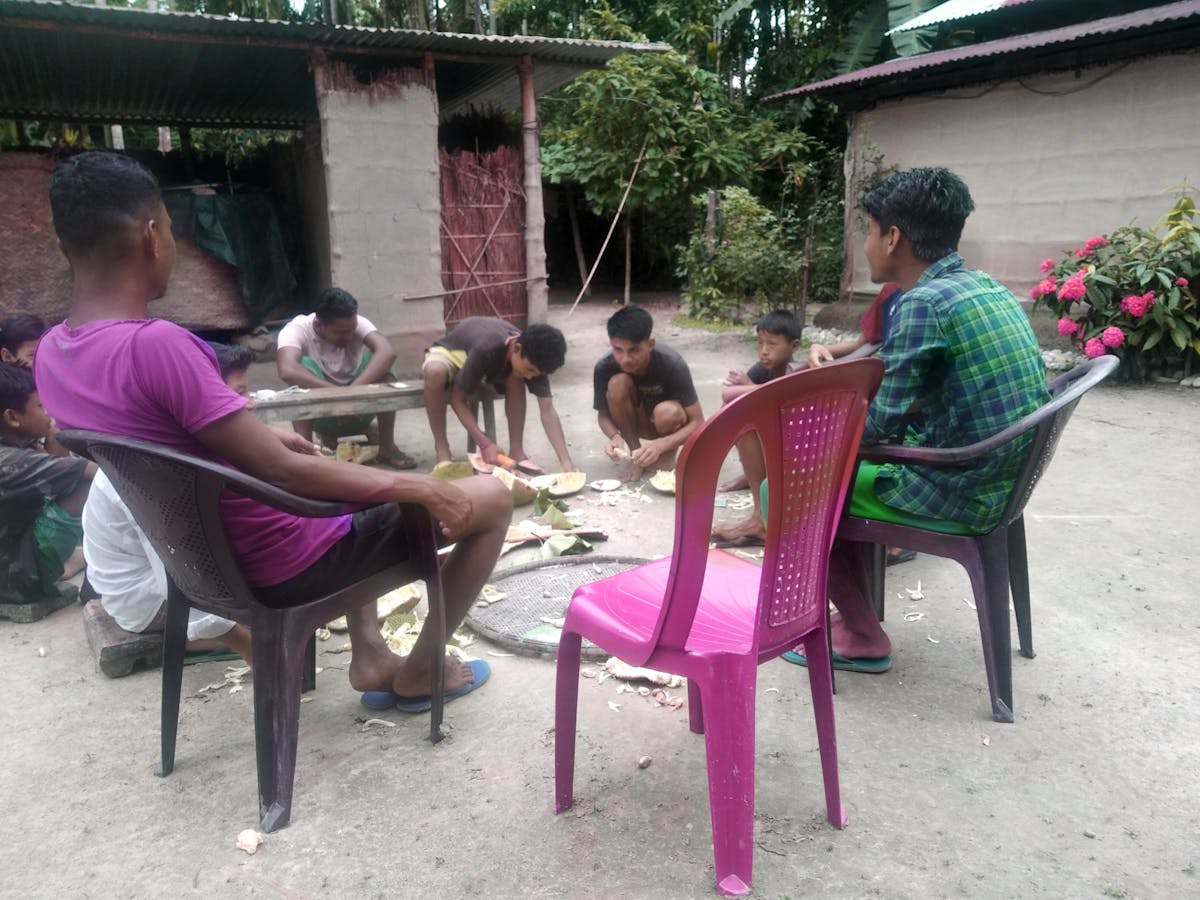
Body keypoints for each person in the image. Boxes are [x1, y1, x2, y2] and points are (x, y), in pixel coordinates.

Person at [36, 151, 510, 709]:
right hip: (282, 566)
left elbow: (176, 445)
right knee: (490, 499)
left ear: (65, 246)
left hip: (196, 570)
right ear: (149, 236)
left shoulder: (52, 353)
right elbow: (281, 471)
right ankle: (421, 671)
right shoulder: (155, 344)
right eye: (167, 227)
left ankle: (371, 655)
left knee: (345, 478)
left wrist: (263, 441)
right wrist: (422, 485)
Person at [779, 167, 1050, 673]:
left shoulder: (921, 303)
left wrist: (805, 432)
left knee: (792, 489)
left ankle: (861, 633)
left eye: (869, 230)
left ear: (893, 236)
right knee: (833, 471)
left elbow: (877, 428)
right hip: (1007, 478)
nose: (866, 244)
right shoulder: (984, 285)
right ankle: (857, 613)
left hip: (963, 487)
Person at [81, 343, 271, 665]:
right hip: (144, 599)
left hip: (154, 571)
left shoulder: (174, 440)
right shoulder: (149, 472)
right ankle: (199, 642)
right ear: (204, 398)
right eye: (238, 394)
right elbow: (183, 569)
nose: (249, 404)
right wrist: (252, 650)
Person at [276, 287, 418, 470]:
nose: (350, 336)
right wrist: (337, 395)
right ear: (319, 325)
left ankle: (387, 447)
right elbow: (287, 370)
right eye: (342, 333)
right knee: (301, 366)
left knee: (385, 368)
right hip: (322, 413)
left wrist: (351, 395)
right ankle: (308, 454)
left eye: (352, 330)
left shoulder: (356, 322)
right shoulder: (297, 330)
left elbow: (387, 352)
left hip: (360, 409)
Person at [422, 317, 576, 474]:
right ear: (516, 349)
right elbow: (458, 400)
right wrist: (485, 444)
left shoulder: (537, 360)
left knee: (516, 376)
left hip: (489, 368)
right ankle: (442, 448)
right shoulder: (487, 348)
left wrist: (566, 463)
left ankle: (517, 451)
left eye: (536, 373)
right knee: (434, 372)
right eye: (530, 370)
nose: (531, 377)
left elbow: (547, 410)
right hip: (454, 353)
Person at [0, 362, 95, 603]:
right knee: (88, 486)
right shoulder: (14, 461)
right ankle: (60, 567)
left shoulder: (16, 448)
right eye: (40, 406)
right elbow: (96, 473)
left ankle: (70, 559)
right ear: (12, 417)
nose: (49, 412)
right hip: (14, 581)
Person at [593, 306, 704, 481]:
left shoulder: (672, 363)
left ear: (650, 344)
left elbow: (698, 422)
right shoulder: (603, 367)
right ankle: (637, 455)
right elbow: (603, 416)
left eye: (634, 350)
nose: (625, 359)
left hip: (666, 423)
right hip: (634, 423)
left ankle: (665, 454)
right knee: (617, 383)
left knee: (667, 412)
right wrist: (614, 437)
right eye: (618, 350)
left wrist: (661, 445)